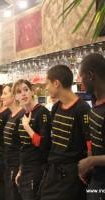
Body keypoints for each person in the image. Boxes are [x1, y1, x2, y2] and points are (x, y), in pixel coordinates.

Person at [40, 65, 90, 200]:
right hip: (52, 172)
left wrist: (86, 168)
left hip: (71, 175)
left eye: (47, 84)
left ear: (56, 83)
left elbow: (89, 142)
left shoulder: (82, 108)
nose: (46, 88)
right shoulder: (56, 107)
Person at [13, 79, 51, 200]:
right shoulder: (23, 115)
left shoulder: (42, 112)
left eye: (26, 90)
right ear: (16, 97)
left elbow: (44, 144)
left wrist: (27, 127)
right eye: (19, 92)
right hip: (25, 167)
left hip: (37, 167)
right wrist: (20, 169)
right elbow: (23, 146)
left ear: (32, 91)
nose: (23, 94)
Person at [78, 53, 105, 200]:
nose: (79, 82)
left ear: (90, 75)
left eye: (81, 77)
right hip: (96, 179)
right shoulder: (95, 103)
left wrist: (91, 161)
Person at [1, 83, 25, 200]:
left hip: (17, 165)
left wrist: (21, 168)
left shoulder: (22, 115)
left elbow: (24, 145)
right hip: (8, 163)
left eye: (5, 94)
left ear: (14, 96)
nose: (2, 97)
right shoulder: (11, 115)